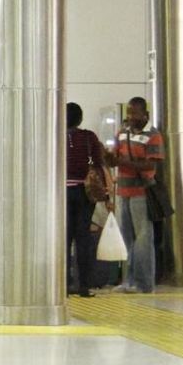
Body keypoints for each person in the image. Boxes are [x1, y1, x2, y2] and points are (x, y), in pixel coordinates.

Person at [110, 96, 164, 293]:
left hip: (142, 192)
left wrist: (123, 163)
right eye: (129, 113)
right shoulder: (122, 133)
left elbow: (151, 164)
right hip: (123, 191)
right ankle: (128, 281)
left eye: (135, 113)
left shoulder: (153, 135)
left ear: (146, 114)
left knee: (143, 238)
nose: (131, 117)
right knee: (126, 237)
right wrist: (108, 158)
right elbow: (115, 158)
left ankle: (143, 283)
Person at [64, 102, 109, 297]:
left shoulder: (54, 137)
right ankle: (84, 286)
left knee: (63, 239)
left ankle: (63, 285)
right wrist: (106, 193)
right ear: (80, 119)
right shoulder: (89, 137)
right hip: (85, 193)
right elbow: (98, 164)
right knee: (83, 238)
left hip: (61, 193)